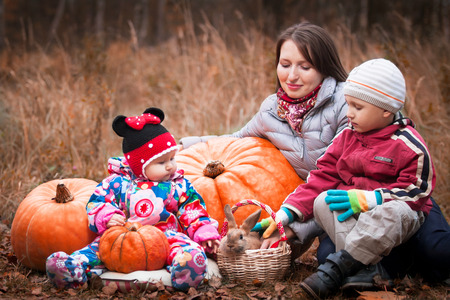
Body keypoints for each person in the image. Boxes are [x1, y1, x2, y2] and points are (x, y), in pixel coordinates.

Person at [258, 58, 443, 299]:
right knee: (323, 203)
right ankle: (370, 268)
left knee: (439, 252)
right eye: (348, 104)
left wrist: (373, 199)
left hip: (397, 212)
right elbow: (321, 179)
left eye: (357, 107)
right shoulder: (346, 137)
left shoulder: (409, 145)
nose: (349, 113)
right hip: (354, 217)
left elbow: (417, 190)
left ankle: (346, 267)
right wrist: (284, 215)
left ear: (386, 110)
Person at [180, 21, 349, 255]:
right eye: (285, 64)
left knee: (331, 256)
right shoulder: (272, 109)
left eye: (305, 67)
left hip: (348, 204)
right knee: (328, 256)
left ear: (324, 67)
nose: (292, 76)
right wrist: (183, 146)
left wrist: (292, 229)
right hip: (302, 205)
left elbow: (343, 181)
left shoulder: (346, 104)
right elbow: (236, 139)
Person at [46, 107, 221, 291]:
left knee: (185, 249)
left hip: (165, 236)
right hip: (122, 238)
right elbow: (97, 202)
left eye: (172, 158)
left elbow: (192, 209)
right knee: (98, 249)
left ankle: (187, 269)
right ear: (139, 166)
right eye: (161, 162)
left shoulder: (178, 184)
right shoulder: (117, 183)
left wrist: (204, 230)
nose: (170, 167)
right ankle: (72, 269)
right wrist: (106, 216)